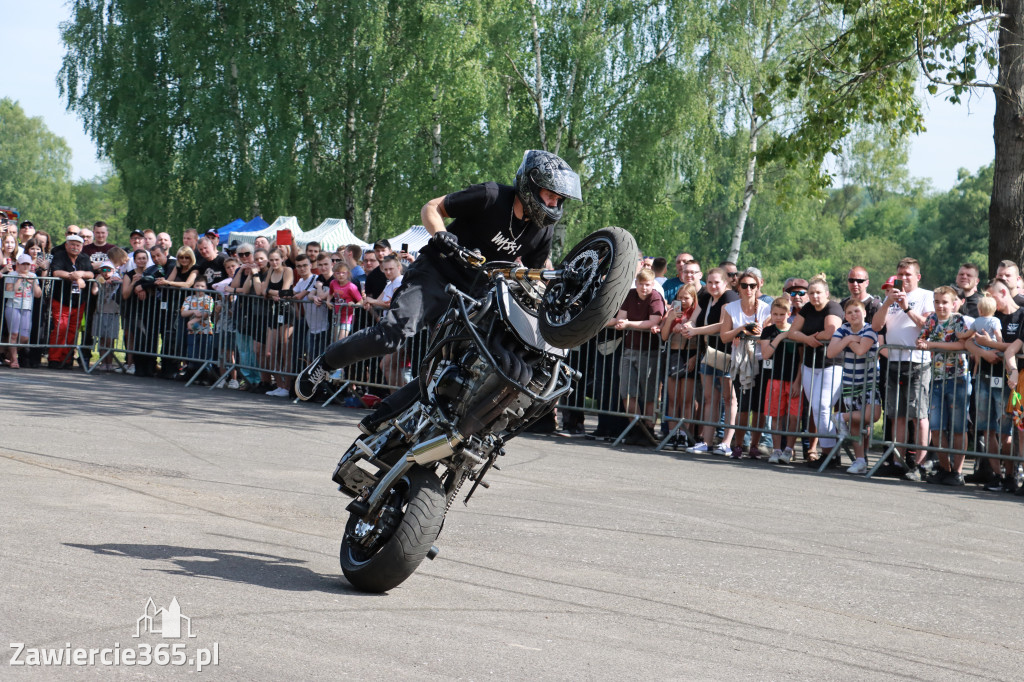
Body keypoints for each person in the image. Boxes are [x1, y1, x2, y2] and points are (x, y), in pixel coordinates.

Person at [295, 150, 582, 427]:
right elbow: (432, 207)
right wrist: (441, 234)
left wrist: (561, 293)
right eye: (550, 196)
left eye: (559, 200)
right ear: (531, 185)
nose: (554, 204)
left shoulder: (541, 231)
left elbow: (534, 274)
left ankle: (387, 420)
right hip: (435, 274)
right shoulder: (492, 196)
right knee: (392, 335)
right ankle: (326, 362)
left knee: (457, 367)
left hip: (474, 295)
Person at [871, 257, 934, 480]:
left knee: (918, 415)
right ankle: (897, 461)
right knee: (896, 415)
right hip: (894, 361)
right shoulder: (891, 297)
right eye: (901, 274)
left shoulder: (926, 296)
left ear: (917, 276)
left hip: (918, 361)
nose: (904, 278)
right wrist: (889, 303)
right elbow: (876, 326)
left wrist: (906, 306)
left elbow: (927, 326)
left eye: (908, 274)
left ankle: (920, 464)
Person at [967, 278, 1022, 491]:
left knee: (1005, 430)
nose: (987, 300)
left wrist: (991, 345)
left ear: (1003, 293)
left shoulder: (1021, 314)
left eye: (991, 295)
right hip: (984, 376)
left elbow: (1017, 345)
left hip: (1009, 381)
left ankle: (1010, 475)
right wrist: (983, 352)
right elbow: (969, 340)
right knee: (987, 428)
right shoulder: (990, 314)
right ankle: (996, 475)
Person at [915, 286, 969, 485]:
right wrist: (922, 342)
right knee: (936, 427)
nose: (940, 306)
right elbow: (922, 338)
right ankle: (945, 469)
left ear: (954, 303)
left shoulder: (958, 320)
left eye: (944, 302)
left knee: (957, 427)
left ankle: (958, 471)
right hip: (936, 378)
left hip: (958, 378)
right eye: (937, 302)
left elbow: (962, 344)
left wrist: (932, 345)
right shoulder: (931, 320)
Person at [788, 275, 844, 465]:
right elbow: (792, 332)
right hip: (810, 364)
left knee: (823, 407)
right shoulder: (807, 308)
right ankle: (829, 453)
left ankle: (830, 454)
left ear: (826, 294)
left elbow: (831, 331)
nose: (814, 296)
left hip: (832, 363)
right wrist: (807, 339)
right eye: (811, 293)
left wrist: (813, 336)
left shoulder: (833, 307)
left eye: (818, 292)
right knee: (816, 409)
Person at [684, 267, 740, 455]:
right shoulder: (706, 297)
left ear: (725, 283)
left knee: (728, 398)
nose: (713, 286)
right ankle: (706, 441)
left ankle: (726, 442)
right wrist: (687, 326)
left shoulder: (730, 297)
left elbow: (722, 325)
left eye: (717, 282)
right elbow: (694, 319)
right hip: (708, 352)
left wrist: (695, 331)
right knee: (709, 398)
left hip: (727, 352)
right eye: (710, 282)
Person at [607, 268, 665, 444]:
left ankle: (648, 429)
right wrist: (619, 323)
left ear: (652, 284)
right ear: (636, 283)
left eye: (647, 284)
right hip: (629, 349)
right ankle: (635, 427)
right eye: (641, 284)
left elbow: (654, 321)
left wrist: (628, 324)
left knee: (648, 393)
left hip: (650, 351)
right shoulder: (630, 294)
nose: (644, 288)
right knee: (627, 391)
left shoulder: (655, 297)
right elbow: (621, 317)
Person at [719, 268, 771, 459]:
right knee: (743, 406)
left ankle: (755, 445)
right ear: (738, 287)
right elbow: (724, 336)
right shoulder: (731, 308)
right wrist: (741, 329)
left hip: (761, 360)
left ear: (758, 287)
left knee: (759, 407)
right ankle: (739, 444)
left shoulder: (766, 308)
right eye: (744, 285)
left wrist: (751, 335)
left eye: (752, 286)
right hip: (741, 363)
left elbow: (767, 334)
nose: (748, 289)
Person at [827, 298, 880, 475]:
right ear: (845, 316)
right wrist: (849, 338)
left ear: (864, 313)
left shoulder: (870, 329)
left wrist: (845, 342)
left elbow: (861, 350)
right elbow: (830, 352)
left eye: (856, 311)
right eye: (849, 312)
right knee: (856, 425)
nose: (853, 315)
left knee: (872, 415)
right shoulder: (843, 330)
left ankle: (841, 417)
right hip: (850, 381)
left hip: (870, 381)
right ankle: (860, 461)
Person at [760, 296, 803, 463]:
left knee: (793, 416)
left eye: (782, 314)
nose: (778, 317)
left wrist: (797, 381)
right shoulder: (768, 331)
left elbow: (801, 359)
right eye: (775, 314)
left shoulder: (795, 331)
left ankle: (789, 449)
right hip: (774, 378)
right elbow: (765, 354)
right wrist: (780, 337)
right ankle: (776, 449)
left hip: (792, 379)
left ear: (789, 314)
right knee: (776, 415)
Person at [660, 283, 700, 447]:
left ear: (693, 298)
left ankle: (684, 433)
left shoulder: (697, 314)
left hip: (690, 354)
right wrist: (670, 319)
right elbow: (663, 337)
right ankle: (671, 433)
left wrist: (695, 358)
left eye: (686, 298)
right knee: (672, 399)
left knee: (686, 400)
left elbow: (702, 340)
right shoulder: (673, 312)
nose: (683, 301)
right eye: (680, 297)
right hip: (674, 354)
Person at [47, 234, 94, 368]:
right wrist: (73, 277)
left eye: (78, 245)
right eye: (72, 244)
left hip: (79, 301)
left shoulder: (84, 258)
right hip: (61, 299)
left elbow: (90, 273)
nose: (75, 247)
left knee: (73, 330)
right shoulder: (60, 255)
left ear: (81, 247)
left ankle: (67, 359)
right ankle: (54, 358)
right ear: (66, 245)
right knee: (60, 328)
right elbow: (56, 272)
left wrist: (81, 275)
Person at [252, 249, 294, 397]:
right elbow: (263, 291)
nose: (274, 263)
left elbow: (286, 291)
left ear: (282, 259)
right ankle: (280, 385)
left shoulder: (288, 270)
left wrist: (270, 291)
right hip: (273, 313)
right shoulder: (270, 271)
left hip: (286, 313)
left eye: (277, 259)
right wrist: (271, 292)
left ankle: (287, 387)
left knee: (285, 350)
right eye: (271, 260)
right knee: (270, 353)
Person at [3, 255, 42, 368]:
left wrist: (32, 282)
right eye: (23, 264)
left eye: (28, 264)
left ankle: (9, 352)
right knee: (14, 334)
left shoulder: (33, 275)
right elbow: (9, 292)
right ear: (18, 265)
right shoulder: (12, 275)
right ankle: (14, 360)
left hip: (27, 307)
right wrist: (19, 280)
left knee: (25, 337)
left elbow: (38, 294)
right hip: (13, 306)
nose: (25, 266)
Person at [329, 260, 362, 341]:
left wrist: (354, 304)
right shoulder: (333, 283)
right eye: (338, 273)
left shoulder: (351, 287)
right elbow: (330, 293)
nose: (341, 275)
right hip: (337, 316)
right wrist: (327, 301)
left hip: (347, 318)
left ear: (348, 273)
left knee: (341, 340)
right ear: (334, 274)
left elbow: (361, 301)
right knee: (335, 340)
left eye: (343, 273)